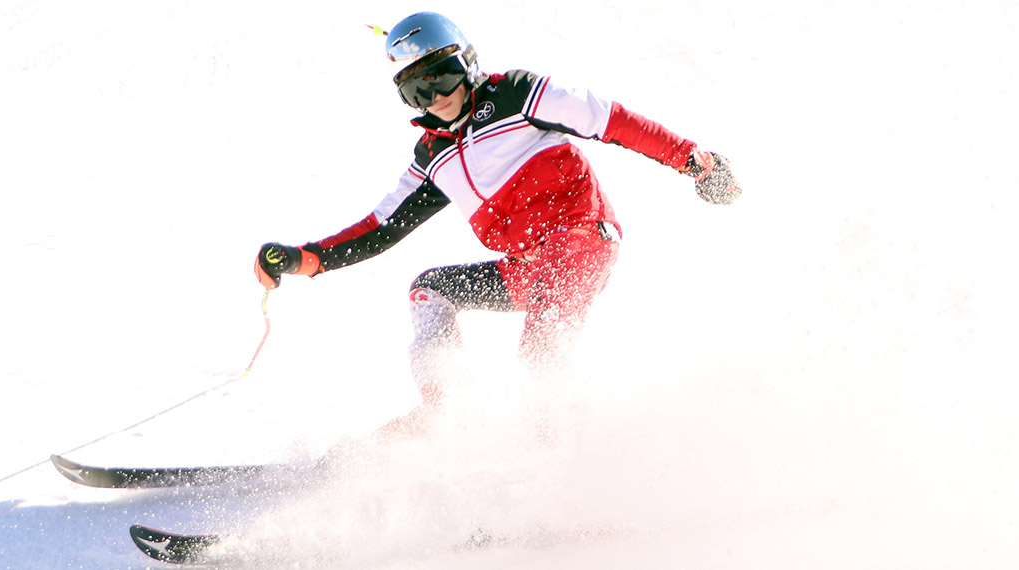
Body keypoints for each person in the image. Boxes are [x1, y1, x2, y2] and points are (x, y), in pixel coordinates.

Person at [253, 12, 741, 434]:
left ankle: (572, 462)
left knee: (541, 350)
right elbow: (381, 227)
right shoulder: (432, 156)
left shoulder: (518, 95)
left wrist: (694, 161)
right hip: (527, 265)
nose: (435, 97)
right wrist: (304, 258)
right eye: (416, 90)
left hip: (580, 239)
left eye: (441, 77)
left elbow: (611, 120)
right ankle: (446, 415)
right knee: (430, 290)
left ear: (465, 62)